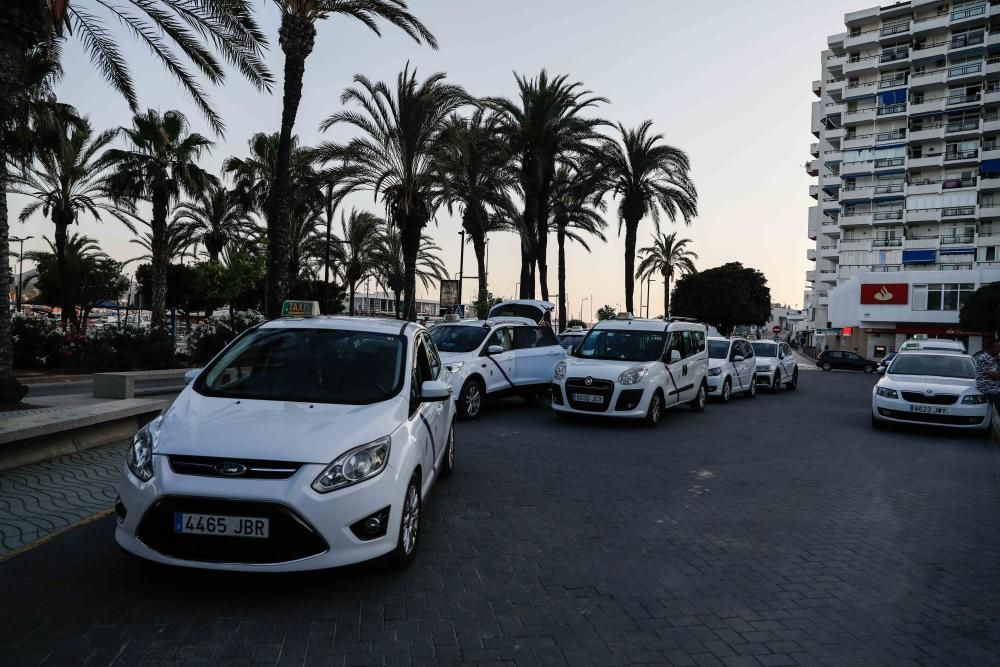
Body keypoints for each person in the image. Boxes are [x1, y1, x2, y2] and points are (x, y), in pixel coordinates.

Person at [973, 338, 1000, 411]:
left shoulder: (991, 358)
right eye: (997, 347)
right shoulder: (985, 358)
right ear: (990, 348)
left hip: (993, 387)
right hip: (990, 388)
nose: (999, 349)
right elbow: (995, 376)